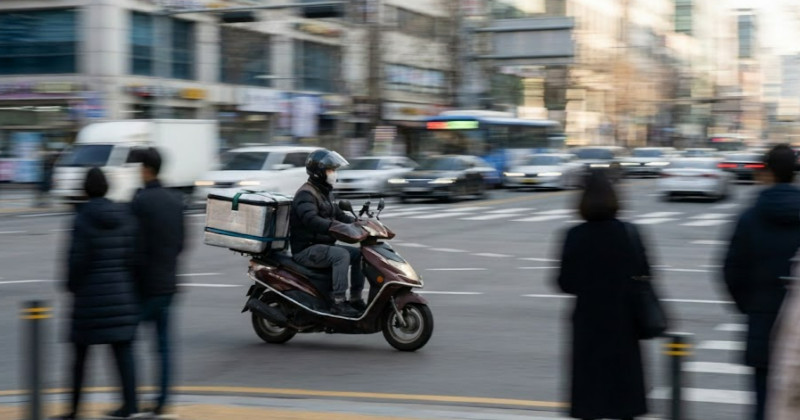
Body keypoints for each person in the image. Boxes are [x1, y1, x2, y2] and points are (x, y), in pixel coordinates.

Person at [555, 170, 649, 420]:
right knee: (623, 393)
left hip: (588, 322)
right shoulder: (629, 233)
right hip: (624, 320)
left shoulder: (574, 235)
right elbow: (645, 272)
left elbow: (564, 283)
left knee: (590, 393)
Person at [722, 144, 800, 420]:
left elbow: (730, 271)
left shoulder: (750, 218)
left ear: (767, 172)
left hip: (763, 325)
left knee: (764, 405)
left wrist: (752, 306)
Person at [56, 167, 140, 420]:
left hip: (89, 297)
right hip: (121, 292)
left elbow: (76, 262)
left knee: (80, 357)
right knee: (123, 353)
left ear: (85, 189)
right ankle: (130, 405)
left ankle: (74, 410)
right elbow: (132, 256)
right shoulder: (124, 215)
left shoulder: (82, 219)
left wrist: (72, 286)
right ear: (107, 188)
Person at [131, 147, 185, 417]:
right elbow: (180, 244)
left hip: (144, 286)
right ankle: (161, 400)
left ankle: (130, 398)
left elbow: (134, 245)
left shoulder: (140, 201)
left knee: (125, 340)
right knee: (163, 346)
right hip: (169, 282)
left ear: (145, 169)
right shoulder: (176, 201)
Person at [290, 148, 364, 318]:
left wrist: (358, 223)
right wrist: (335, 227)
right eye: (330, 170)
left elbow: (338, 214)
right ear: (318, 173)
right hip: (307, 249)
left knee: (361, 254)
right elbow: (311, 220)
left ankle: (356, 298)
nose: (334, 174)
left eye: (334, 170)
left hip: (322, 246)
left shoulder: (325, 192)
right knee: (341, 255)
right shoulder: (306, 194)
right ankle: (338, 302)